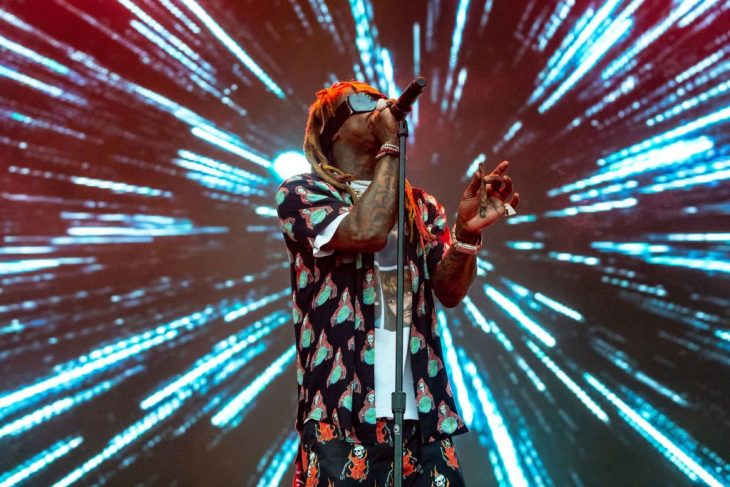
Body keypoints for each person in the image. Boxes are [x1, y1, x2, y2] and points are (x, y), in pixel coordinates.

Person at [276, 80, 519, 486]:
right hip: (343, 413)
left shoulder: (420, 206)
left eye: (382, 100)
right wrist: (391, 144)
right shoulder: (303, 193)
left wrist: (465, 234)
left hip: (421, 412)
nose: (382, 106)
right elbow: (367, 230)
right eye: (364, 102)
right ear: (333, 129)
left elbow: (450, 291)